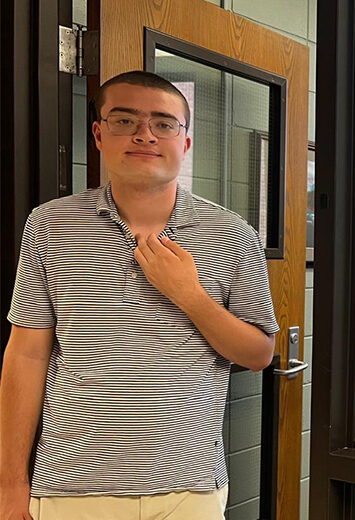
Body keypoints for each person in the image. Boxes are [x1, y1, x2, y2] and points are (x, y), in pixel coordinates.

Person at [0, 71, 279, 520]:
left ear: (185, 142)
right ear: (99, 134)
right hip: (72, 486)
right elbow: (26, 356)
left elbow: (258, 353)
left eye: (164, 124)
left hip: (189, 489)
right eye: (125, 121)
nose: (145, 135)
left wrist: (191, 295)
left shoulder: (233, 235)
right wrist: (10, 487)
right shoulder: (51, 225)